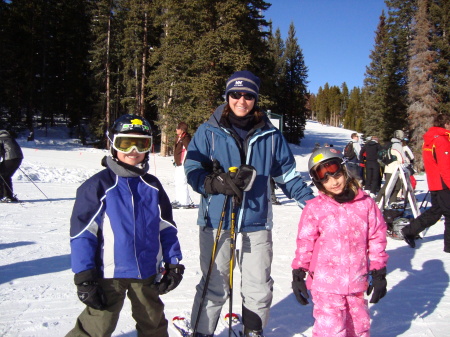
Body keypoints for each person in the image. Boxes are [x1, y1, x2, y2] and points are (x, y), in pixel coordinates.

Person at [184, 70, 314, 337]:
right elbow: (192, 167)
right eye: (235, 94)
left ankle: (253, 332)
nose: (241, 100)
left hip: (256, 223)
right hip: (215, 221)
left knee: (258, 285)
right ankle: (202, 332)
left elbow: (288, 177)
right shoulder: (209, 131)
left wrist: (316, 207)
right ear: (227, 96)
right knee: (214, 284)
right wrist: (213, 183)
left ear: (255, 98)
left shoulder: (270, 135)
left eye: (248, 95)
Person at [67, 114, 184, 337]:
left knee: (153, 322)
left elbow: (166, 227)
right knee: (97, 325)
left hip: (146, 271)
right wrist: (84, 275)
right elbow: (83, 233)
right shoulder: (99, 186)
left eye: (141, 144)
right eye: (125, 142)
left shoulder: (153, 186)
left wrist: (173, 263)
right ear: (112, 144)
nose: (133, 150)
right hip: (109, 273)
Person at [291, 147, 389, 336]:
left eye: (335, 174)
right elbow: (305, 242)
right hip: (325, 284)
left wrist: (378, 271)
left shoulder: (366, 204)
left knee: (359, 328)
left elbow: (377, 237)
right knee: (331, 330)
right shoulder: (315, 208)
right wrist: (298, 272)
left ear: (343, 170)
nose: (333, 181)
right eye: (325, 178)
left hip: (356, 282)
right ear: (318, 183)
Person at [401, 114, 450, 252]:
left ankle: (409, 231)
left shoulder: (431, 138)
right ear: (445, 123)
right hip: (443, 183)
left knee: (436, 212)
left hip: (435, 182)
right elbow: (445, 166)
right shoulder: (442, 140)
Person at [375, 130, 407, 206]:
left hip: (388, 168)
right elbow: (402, 158)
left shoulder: (390, 144)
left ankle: (392, 200)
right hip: (394, 168)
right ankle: (379, 200)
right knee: (389, 185)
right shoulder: (398, 145)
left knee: (396, 185)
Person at [172, 121, 194, 209]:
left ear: (182, 130)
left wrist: (186, 162)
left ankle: (185, 202)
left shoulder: (186, 138)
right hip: (178, 163)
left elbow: (190, 150)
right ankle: (179, 199)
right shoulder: (179, 137)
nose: (176, 130)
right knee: (177, 182)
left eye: (178, 128)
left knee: (182, 182)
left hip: (183, 164)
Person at [0, 129, 24, 203]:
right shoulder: (10, 138)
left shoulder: (1, 139)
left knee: (1, 175)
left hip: (9, 158)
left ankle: (2, 196)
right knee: (6, 176)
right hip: (18, 159)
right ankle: (8, 196)